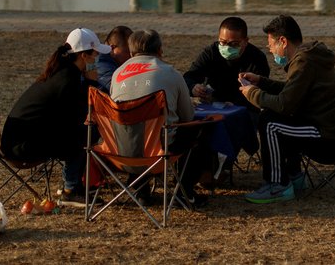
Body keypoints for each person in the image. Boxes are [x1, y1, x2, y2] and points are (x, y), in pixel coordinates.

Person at [239, 15, 335, 204]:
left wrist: (252, 93)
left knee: (269, 123)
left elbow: (285, 104)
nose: (269, 49)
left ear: (283, 41)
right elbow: (291, 91)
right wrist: (261, 81)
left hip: (329, 137)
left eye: (271, 44)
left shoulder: (304, 61)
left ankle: (278, 185)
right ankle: (294, 175)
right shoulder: (309, 56)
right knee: (276, 118)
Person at [0, 27, 110, 204]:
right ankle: (71, 188)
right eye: (95, 54)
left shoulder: (62, 72)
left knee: (80, 130)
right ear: (84, 56)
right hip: (22, 149)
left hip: (16, 142)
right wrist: (91, 82)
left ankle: (71, 184)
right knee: (87, 131)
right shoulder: (68, 79)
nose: (96, 58)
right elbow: (75, 117)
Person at [110, 29, 210, 206]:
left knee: (136, 130)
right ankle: (184, 191)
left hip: (121, 151)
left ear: (131, 53)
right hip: (159, 152)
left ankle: (141, 190)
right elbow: (187, 116)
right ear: (160, 51)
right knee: (198, 129)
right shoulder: (171, 74)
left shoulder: (117, 74)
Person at [183, 16, 270, 109]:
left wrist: (237, 104)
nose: (227, 47)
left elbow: (260, 91)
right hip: (214, 103)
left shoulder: (257, 58)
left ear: (245, 41)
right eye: (223, 42)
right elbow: (189, 77)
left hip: (245, 107)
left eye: (234, 44)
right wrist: (193, 87)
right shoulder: (211, 53)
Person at [93, 25, 132, 92]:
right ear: (112, 48)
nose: (131, 56)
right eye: (127, 51)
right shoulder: (101, 63)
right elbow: (118, 89)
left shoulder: (109, 61)